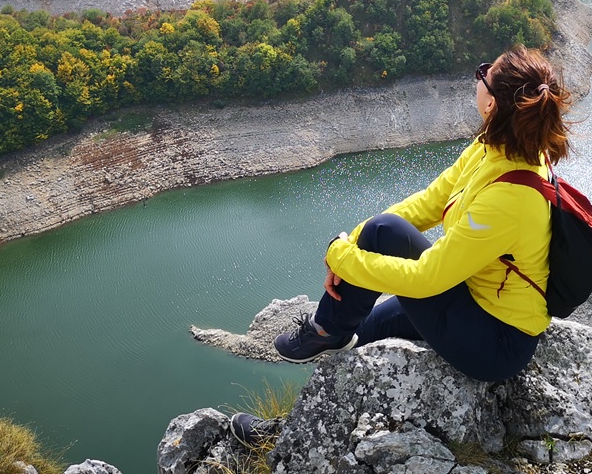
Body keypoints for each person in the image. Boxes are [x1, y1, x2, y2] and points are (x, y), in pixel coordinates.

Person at [232, 45, 571, 447]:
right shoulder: (494, 147)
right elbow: (430, 202)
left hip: (495, 341)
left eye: (483, 74)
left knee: (381, 242)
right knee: (362, 336)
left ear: (492, 104)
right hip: (471, 298)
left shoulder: (512, 196)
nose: (476, 78)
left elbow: (428, 278)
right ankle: (295, 423)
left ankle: (324, 330)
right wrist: (354, 240)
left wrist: (345, 257)